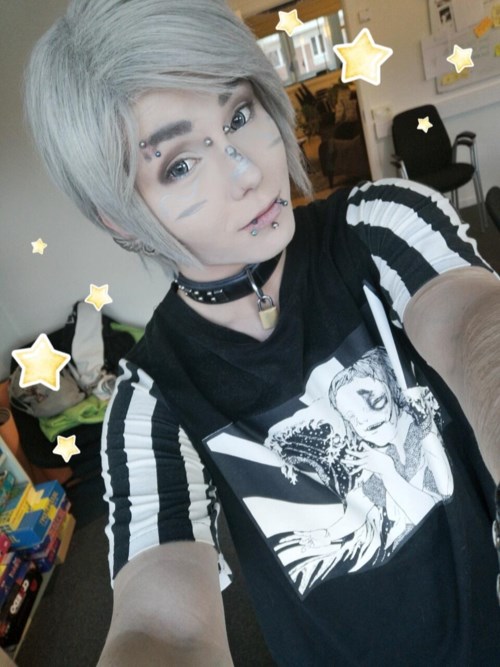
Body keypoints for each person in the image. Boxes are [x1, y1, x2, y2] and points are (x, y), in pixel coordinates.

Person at [24, 1, 500, 665]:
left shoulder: (380, 224)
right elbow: (165, 626)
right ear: (121, 217)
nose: (248, 172)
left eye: (239, 115)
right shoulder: (150, 401)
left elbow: (471, 323)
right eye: (179, 165)